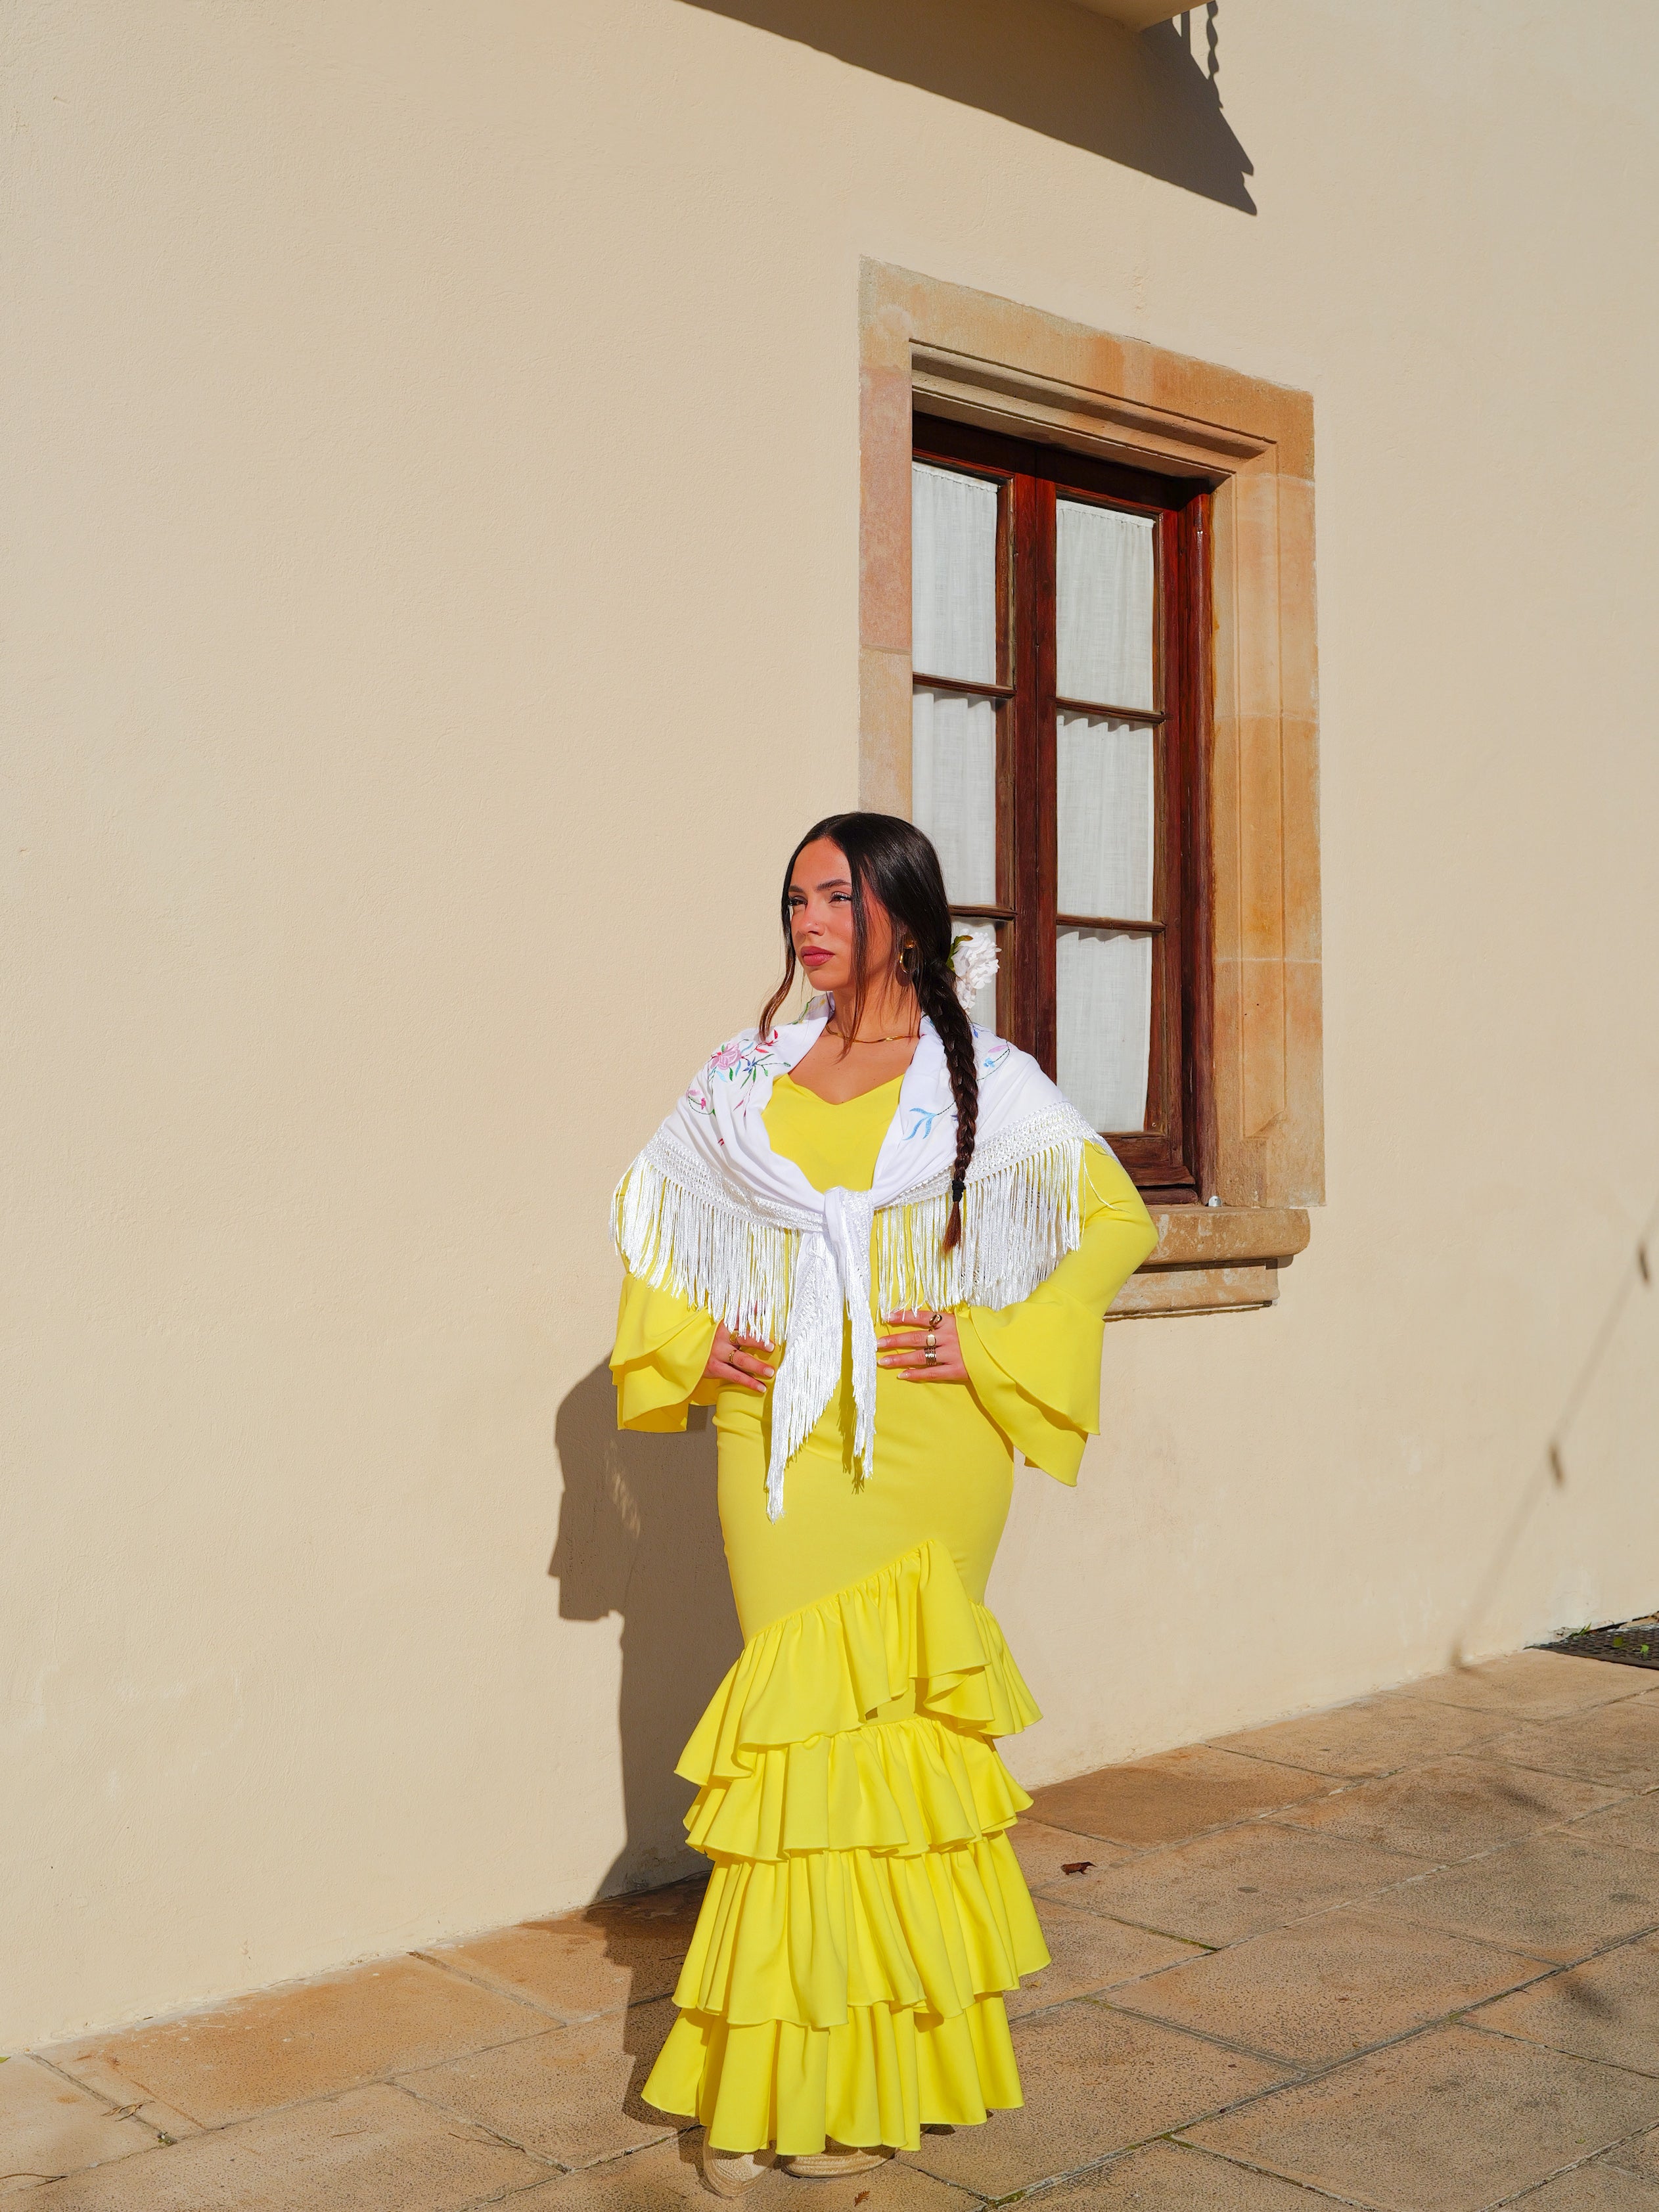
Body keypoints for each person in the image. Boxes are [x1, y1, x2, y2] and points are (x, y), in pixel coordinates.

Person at [608, 811, 1158, 2194]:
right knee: (797, 1752)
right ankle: (780, 2091)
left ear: (903, 917)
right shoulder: (746, 1073)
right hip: (779, 1447)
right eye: (796, 897)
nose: (809, 920)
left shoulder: (987, 1079)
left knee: (893, 1749)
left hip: (932, 1446)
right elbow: (660, 1217)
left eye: (837, 897)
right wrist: (695, 1344)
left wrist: (995, 1338)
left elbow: (1114, 1223)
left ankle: (884, 2072)